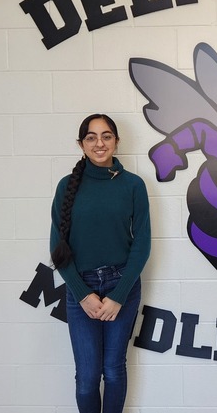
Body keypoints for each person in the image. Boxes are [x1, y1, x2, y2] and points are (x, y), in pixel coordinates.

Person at [50, 114, 151, 413]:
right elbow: (58, 247)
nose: (99, 143)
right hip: (81, 289)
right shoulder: (66, 186)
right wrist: (82, 294)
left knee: (114, 369)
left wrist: (118, 295)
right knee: (87, 377)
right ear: (81, 144)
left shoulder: (133, 185)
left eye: (106, 136)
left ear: (117, 142)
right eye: (91, 137)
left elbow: (142, 244)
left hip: (123, 285)